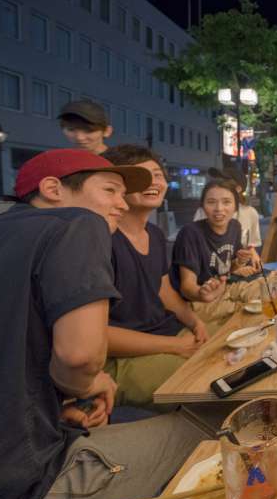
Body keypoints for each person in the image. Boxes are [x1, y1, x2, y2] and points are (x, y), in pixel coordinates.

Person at [0, 149, 206, 499]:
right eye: (110, 190)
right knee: (212, 426)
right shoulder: (79, 224)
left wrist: (56, 409)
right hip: (28, 489)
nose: (121, 204)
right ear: (53, 189)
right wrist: (88, 384)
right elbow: (80, 356)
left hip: (0, 469)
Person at [101, 145, 210, 409]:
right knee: (210, 383)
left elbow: (165, 291)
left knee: (236, 348)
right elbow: (94, 336)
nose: (153, 182)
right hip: (121, 359)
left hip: (164, 333)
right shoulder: (101, 241)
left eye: (157, 175)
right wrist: (174, 345)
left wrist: (195, 322)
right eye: (142, 176)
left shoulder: (155, 234)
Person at [171, 179, 259, 323]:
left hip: (225, 288)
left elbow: (227, 269)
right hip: (197, 301)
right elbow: (187, 286)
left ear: (236, 207)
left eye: (226, 202)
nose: (219, 208)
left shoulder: (235, 226)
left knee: (267, 291)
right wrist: (202, 293)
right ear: (202, 206)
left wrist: (239, 262)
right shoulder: (190, 233)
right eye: (211, 202)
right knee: (246, 313)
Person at [193, 166, 262, 269]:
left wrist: (251, 251)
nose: (219, 183)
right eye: (217, 179)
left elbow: (251, 244)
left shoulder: (250, 213)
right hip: (208, 270)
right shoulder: (204, 211)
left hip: (239, 268)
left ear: (238, 189)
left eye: (224, 181)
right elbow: (194, 245)